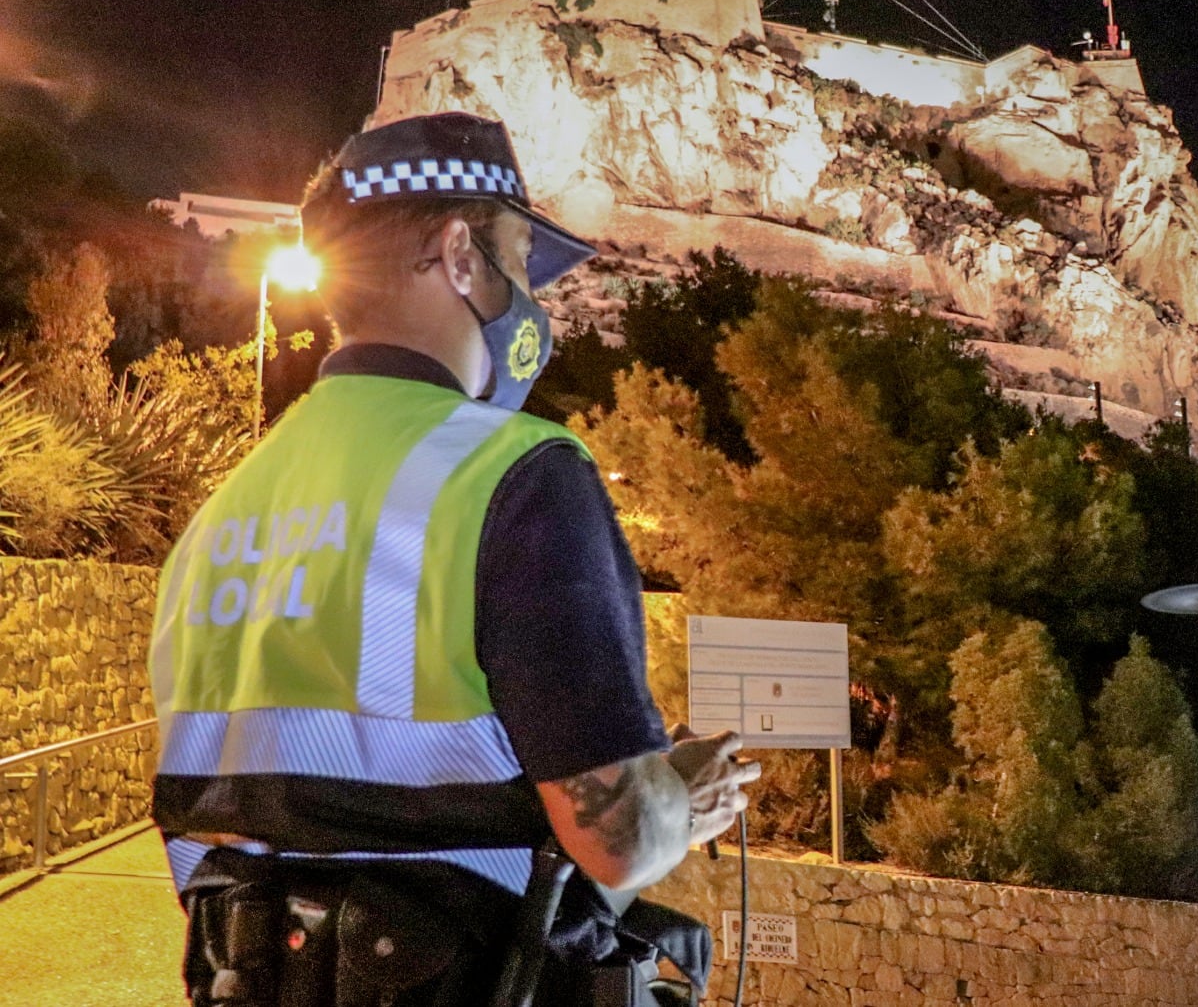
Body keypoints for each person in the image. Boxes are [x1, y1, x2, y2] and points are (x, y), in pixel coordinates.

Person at [148, 112, 760, 1006]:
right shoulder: (514, 473)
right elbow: (618, 838)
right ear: (459, 253)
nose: (533, 301)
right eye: (517, 261)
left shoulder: (218, 516)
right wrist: (681, 793)